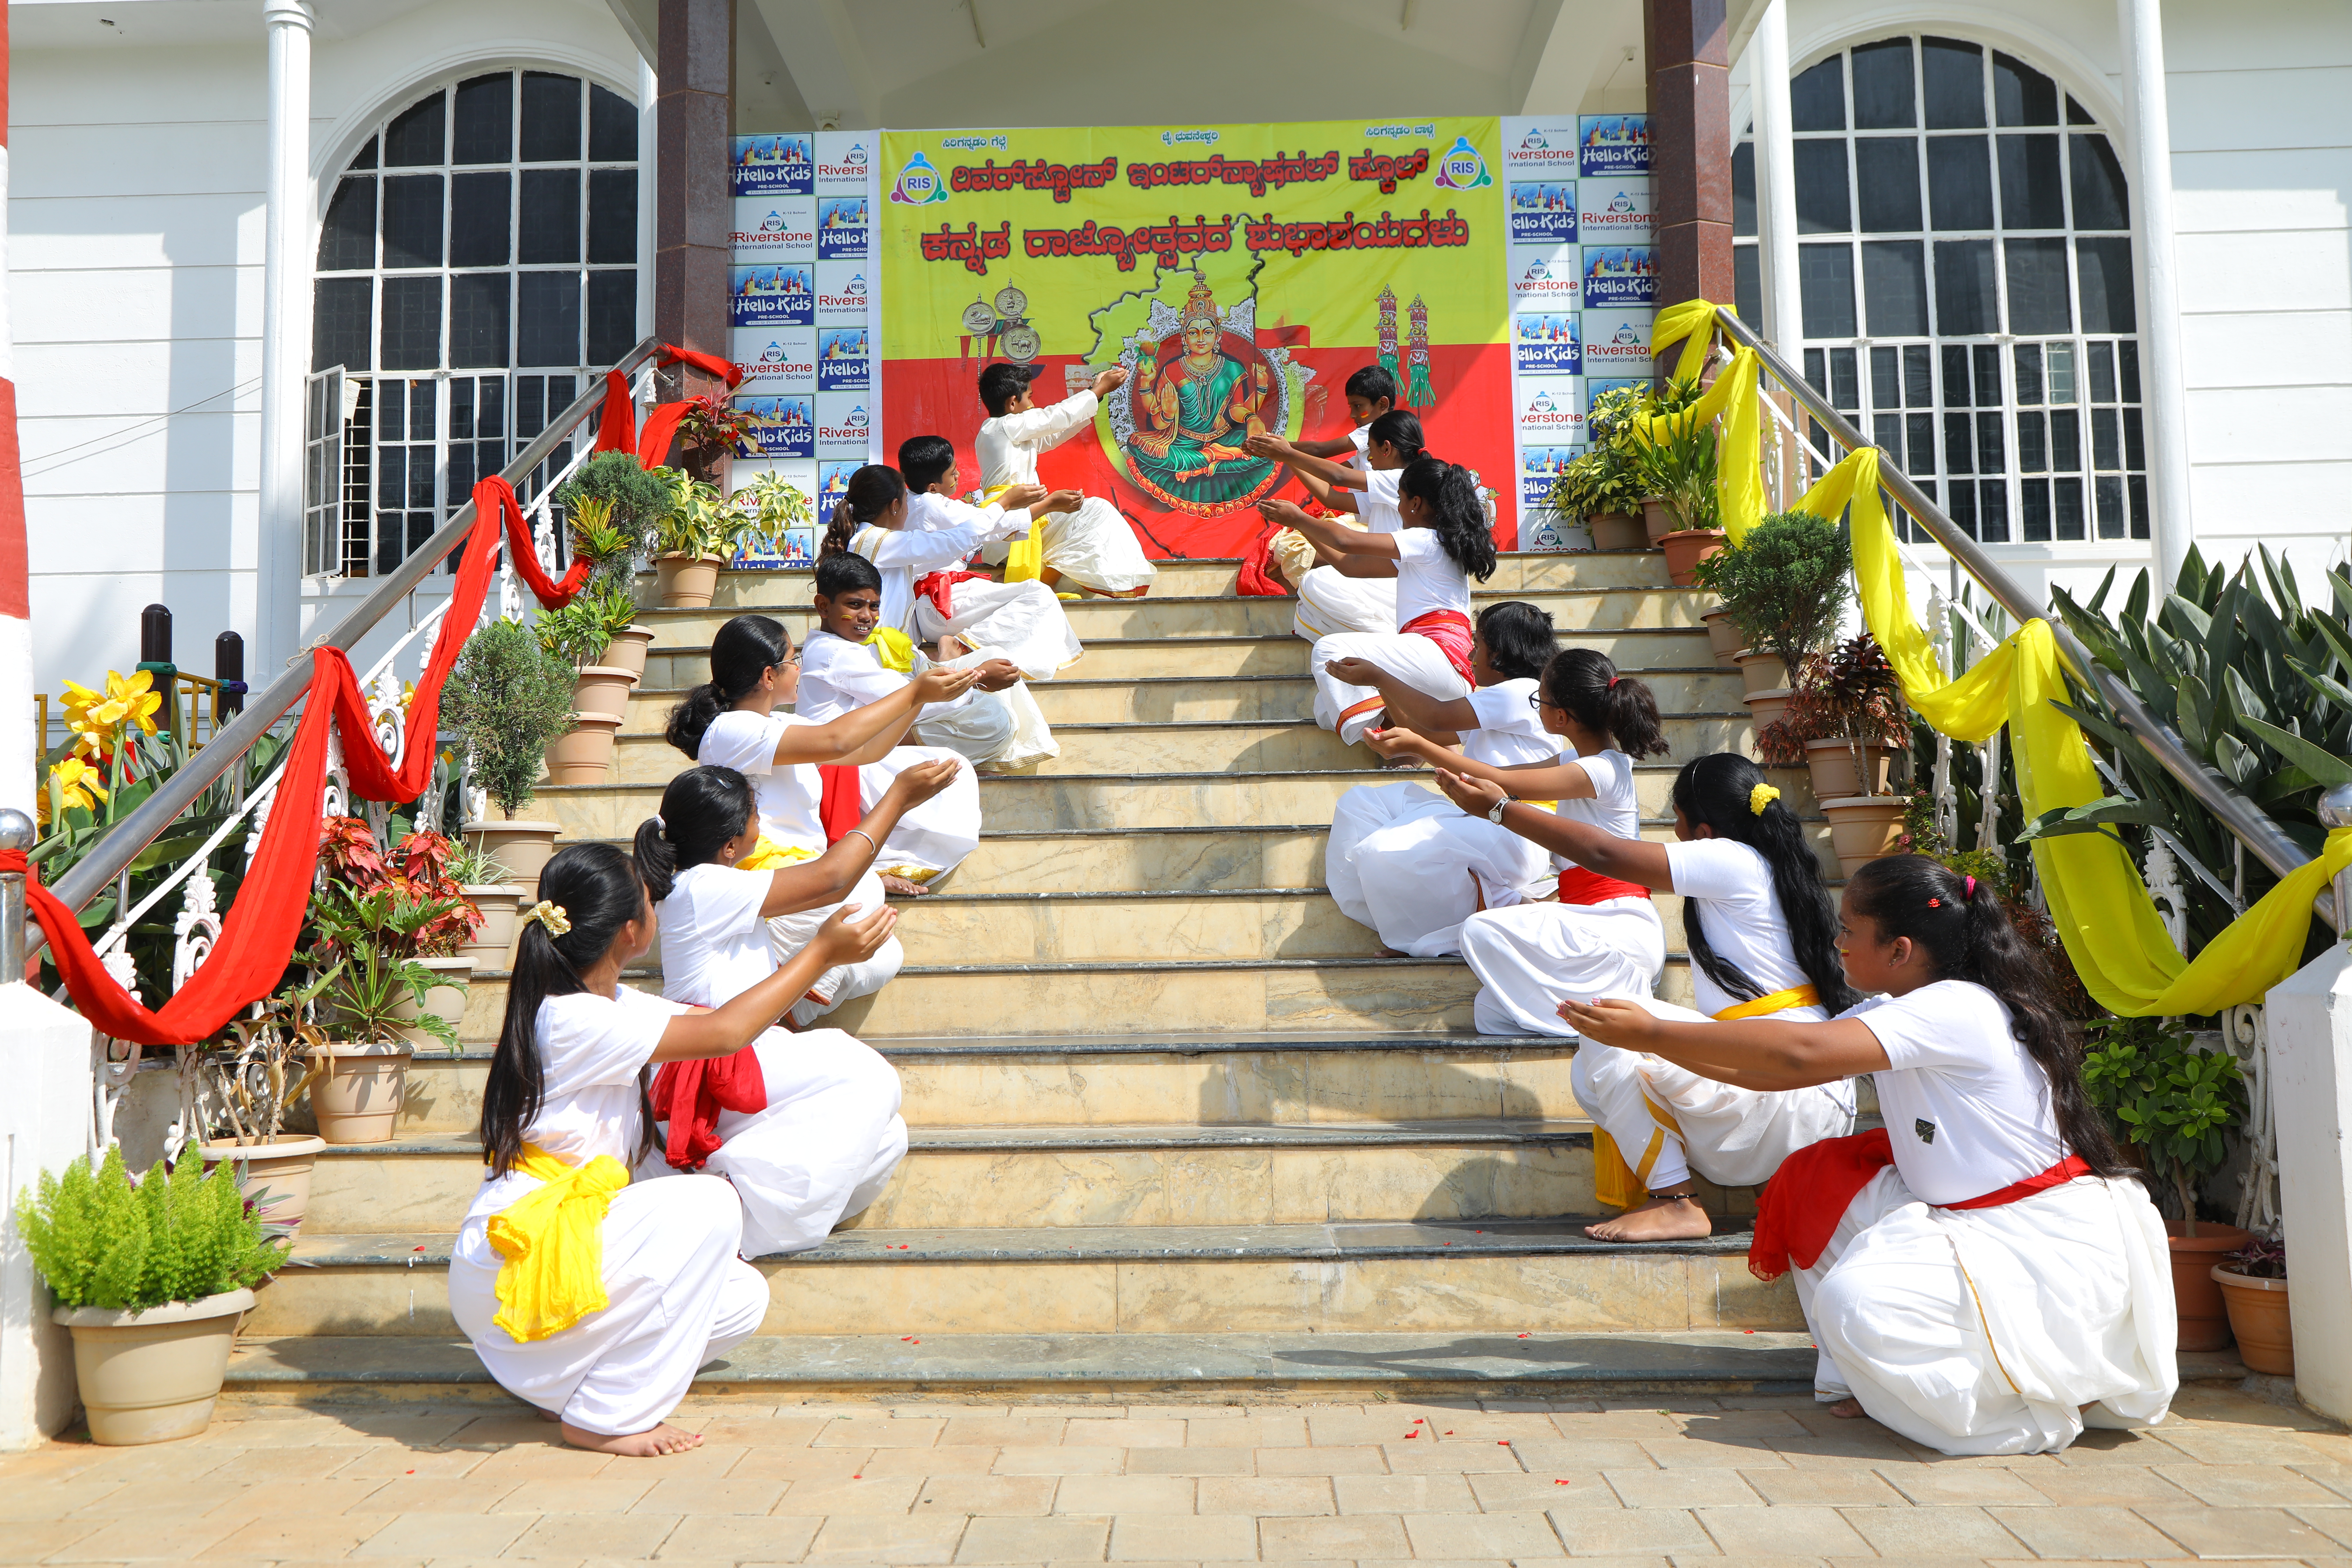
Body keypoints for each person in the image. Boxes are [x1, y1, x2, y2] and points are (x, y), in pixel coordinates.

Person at [1560, 855, 2177, 1456]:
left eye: (1850, 931)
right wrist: (1650, 1043)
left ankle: (2018, 1417)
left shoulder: (1955, 1006)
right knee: (1814, 1181)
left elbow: (1798, 1053)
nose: (1837, 943)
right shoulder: (1898, 1006)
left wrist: (1653, 1034)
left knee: (1855, 1304)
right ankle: (1877, 1381)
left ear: (1900, 950)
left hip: (2030, 1239)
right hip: (1961, 1213)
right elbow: (1770, 1073)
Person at [448, 842, 890, 1457]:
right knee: (711, 1205)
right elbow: (726, 1031)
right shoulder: (572, 1017)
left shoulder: (611, 1003)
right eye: (652, 902)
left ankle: (568, 1385)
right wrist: (822, 953)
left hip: (572, 1242)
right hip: (520, 1253)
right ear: (632, 931)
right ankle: (605, 1418)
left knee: (739, 1299)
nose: (659, 909)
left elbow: (722, 1022)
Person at [1433, 751, 1859, 1243]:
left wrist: (1501, 810)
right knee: (1599, 1062)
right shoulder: (1774, 864)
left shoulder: (1730, 857)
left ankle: (1675, 1202)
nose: (1674, 834)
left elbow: (1607, 856)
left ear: (1702, 830)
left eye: (1676, 821)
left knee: (1610, 1024)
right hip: (1811, 1100)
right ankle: (1782, 1189)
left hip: (1781, 1090)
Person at [633, 766, 926, 1256]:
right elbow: (833, 878)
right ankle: (738, 1217)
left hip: (744, 1054)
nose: (761, 821)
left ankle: (728, 1183)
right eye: (754, 813)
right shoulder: (702, 885)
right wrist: (898, 795)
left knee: (885, 1137)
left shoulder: (712, 882)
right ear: (730, 844)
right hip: (709, 1066)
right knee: (870, 1079)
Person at [668, 611, 980, 934]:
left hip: (805, 868)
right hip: (764, 873)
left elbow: (864, 751)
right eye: (793, 660)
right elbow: (836, 740)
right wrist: (914, 692)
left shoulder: (783, 724)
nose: (800, 668)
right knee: (864, 895)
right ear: (769, 676)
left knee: (875, 931)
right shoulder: (730, 729)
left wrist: (918, 701)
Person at [1318, 602, 1562, 957]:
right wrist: (1381, 689)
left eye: (1477, 644)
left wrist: (1381, 676)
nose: (1470, 653)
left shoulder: (1523, 691)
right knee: (1360, 806)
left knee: (1382, 851)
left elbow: (1433, 718)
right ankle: (1417, 928)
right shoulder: (1502, 698)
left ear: (1498, 653)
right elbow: (1421, 729)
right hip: (1481, 823)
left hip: (1516, 833)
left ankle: (1462, 927)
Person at [1256, 456, 1498, 749]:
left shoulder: (1427, 539)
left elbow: (1346, 541)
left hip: (1441, 661)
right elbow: (1351, 566)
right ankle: (1403, 734)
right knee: (1325, 707)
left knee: (1331, 650)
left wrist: (1298, 518)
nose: (1398, 508)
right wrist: (1303, 528)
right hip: (1441, 670)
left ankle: (1388, 742)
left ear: (1416, 504)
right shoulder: (1438, 547)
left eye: (1400, 499)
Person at [799, 552, 1056, 772]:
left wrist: (974, 678)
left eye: (874, 607)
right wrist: (976, 680)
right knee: (994, 721)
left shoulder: (846, 643)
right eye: (855, 605)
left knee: (992, 667)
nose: (867, 616)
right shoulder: (835, 653)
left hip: (881, 720)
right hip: (848, 756)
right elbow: (907, 700)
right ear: (823, 606)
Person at [830, 458, 1082, 680]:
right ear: (895, 506)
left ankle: (963, 648)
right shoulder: (879, 542)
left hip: (900, 654)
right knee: (1037, 596)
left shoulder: (879, 542)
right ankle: (961, 645)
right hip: (882, 662)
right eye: (907, 502)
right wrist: (1004, 503)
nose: (910, 509)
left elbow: (954, 542)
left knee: (999, 664)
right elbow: (956, 540)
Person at [975, 360, 1157, 597]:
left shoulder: (1001, 430)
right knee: (1095, 514)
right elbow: (1055, 417)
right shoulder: (1007, 425)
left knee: (1089, 520)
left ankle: (1037, 583)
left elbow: (1054, 433)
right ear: (1012, 403)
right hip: (1011, 521)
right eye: (1029, 397)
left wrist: (1096, 396)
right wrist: (1098, 391)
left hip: (1021, 519)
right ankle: (1034, 586)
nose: (1033, 404)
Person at [1263, 411, 1425, 641]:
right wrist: (1288, 458)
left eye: (1370, 451)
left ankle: (1390, 641)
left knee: (1315, 583)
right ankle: (1379, 644)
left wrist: (1288, 452)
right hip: (1384, 580)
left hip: (1401, 588)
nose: (1368, 460)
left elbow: (1338, 477)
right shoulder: (1393, 489)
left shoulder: (1401, 479)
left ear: (1387, 449)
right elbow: (1332, 498)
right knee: (1305, 618)